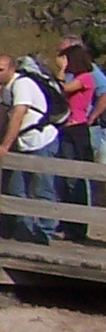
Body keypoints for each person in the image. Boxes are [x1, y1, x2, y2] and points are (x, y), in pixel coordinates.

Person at [0, 51, 59, 243]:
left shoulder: (22, 85)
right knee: (16, 187)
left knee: (42, 187)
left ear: (11, 69)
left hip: (40, 141)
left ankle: (45, 231)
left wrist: (4, 146)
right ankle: (24, 228)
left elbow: (18, 115)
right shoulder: (5, 89)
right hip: (23, 143)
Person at [57, 39, 99, 241]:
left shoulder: (86, 78)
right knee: (65, 178)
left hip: (78, 129)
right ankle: (66, 223)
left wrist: (61, 70)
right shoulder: (77, 77)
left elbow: (62, 88)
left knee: (76, 178)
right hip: (67, 128)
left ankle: (78, 226)